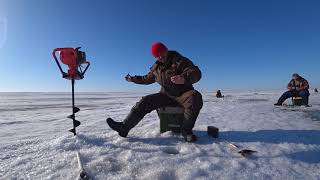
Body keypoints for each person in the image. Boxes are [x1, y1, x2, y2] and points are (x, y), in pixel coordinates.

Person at [107, 42, 203, 142]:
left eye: (162, 53)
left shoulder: (180, 60)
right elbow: (145, 79)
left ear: (166, 50)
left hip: (183, 94)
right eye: (157, 56)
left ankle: (186, 131)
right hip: (166, 95)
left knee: (195, 97)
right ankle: (124, 127)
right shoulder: (156, 68)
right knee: (146, 101)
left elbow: (196, 73)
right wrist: (132, 79)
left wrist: (184, 78)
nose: (160, 57)